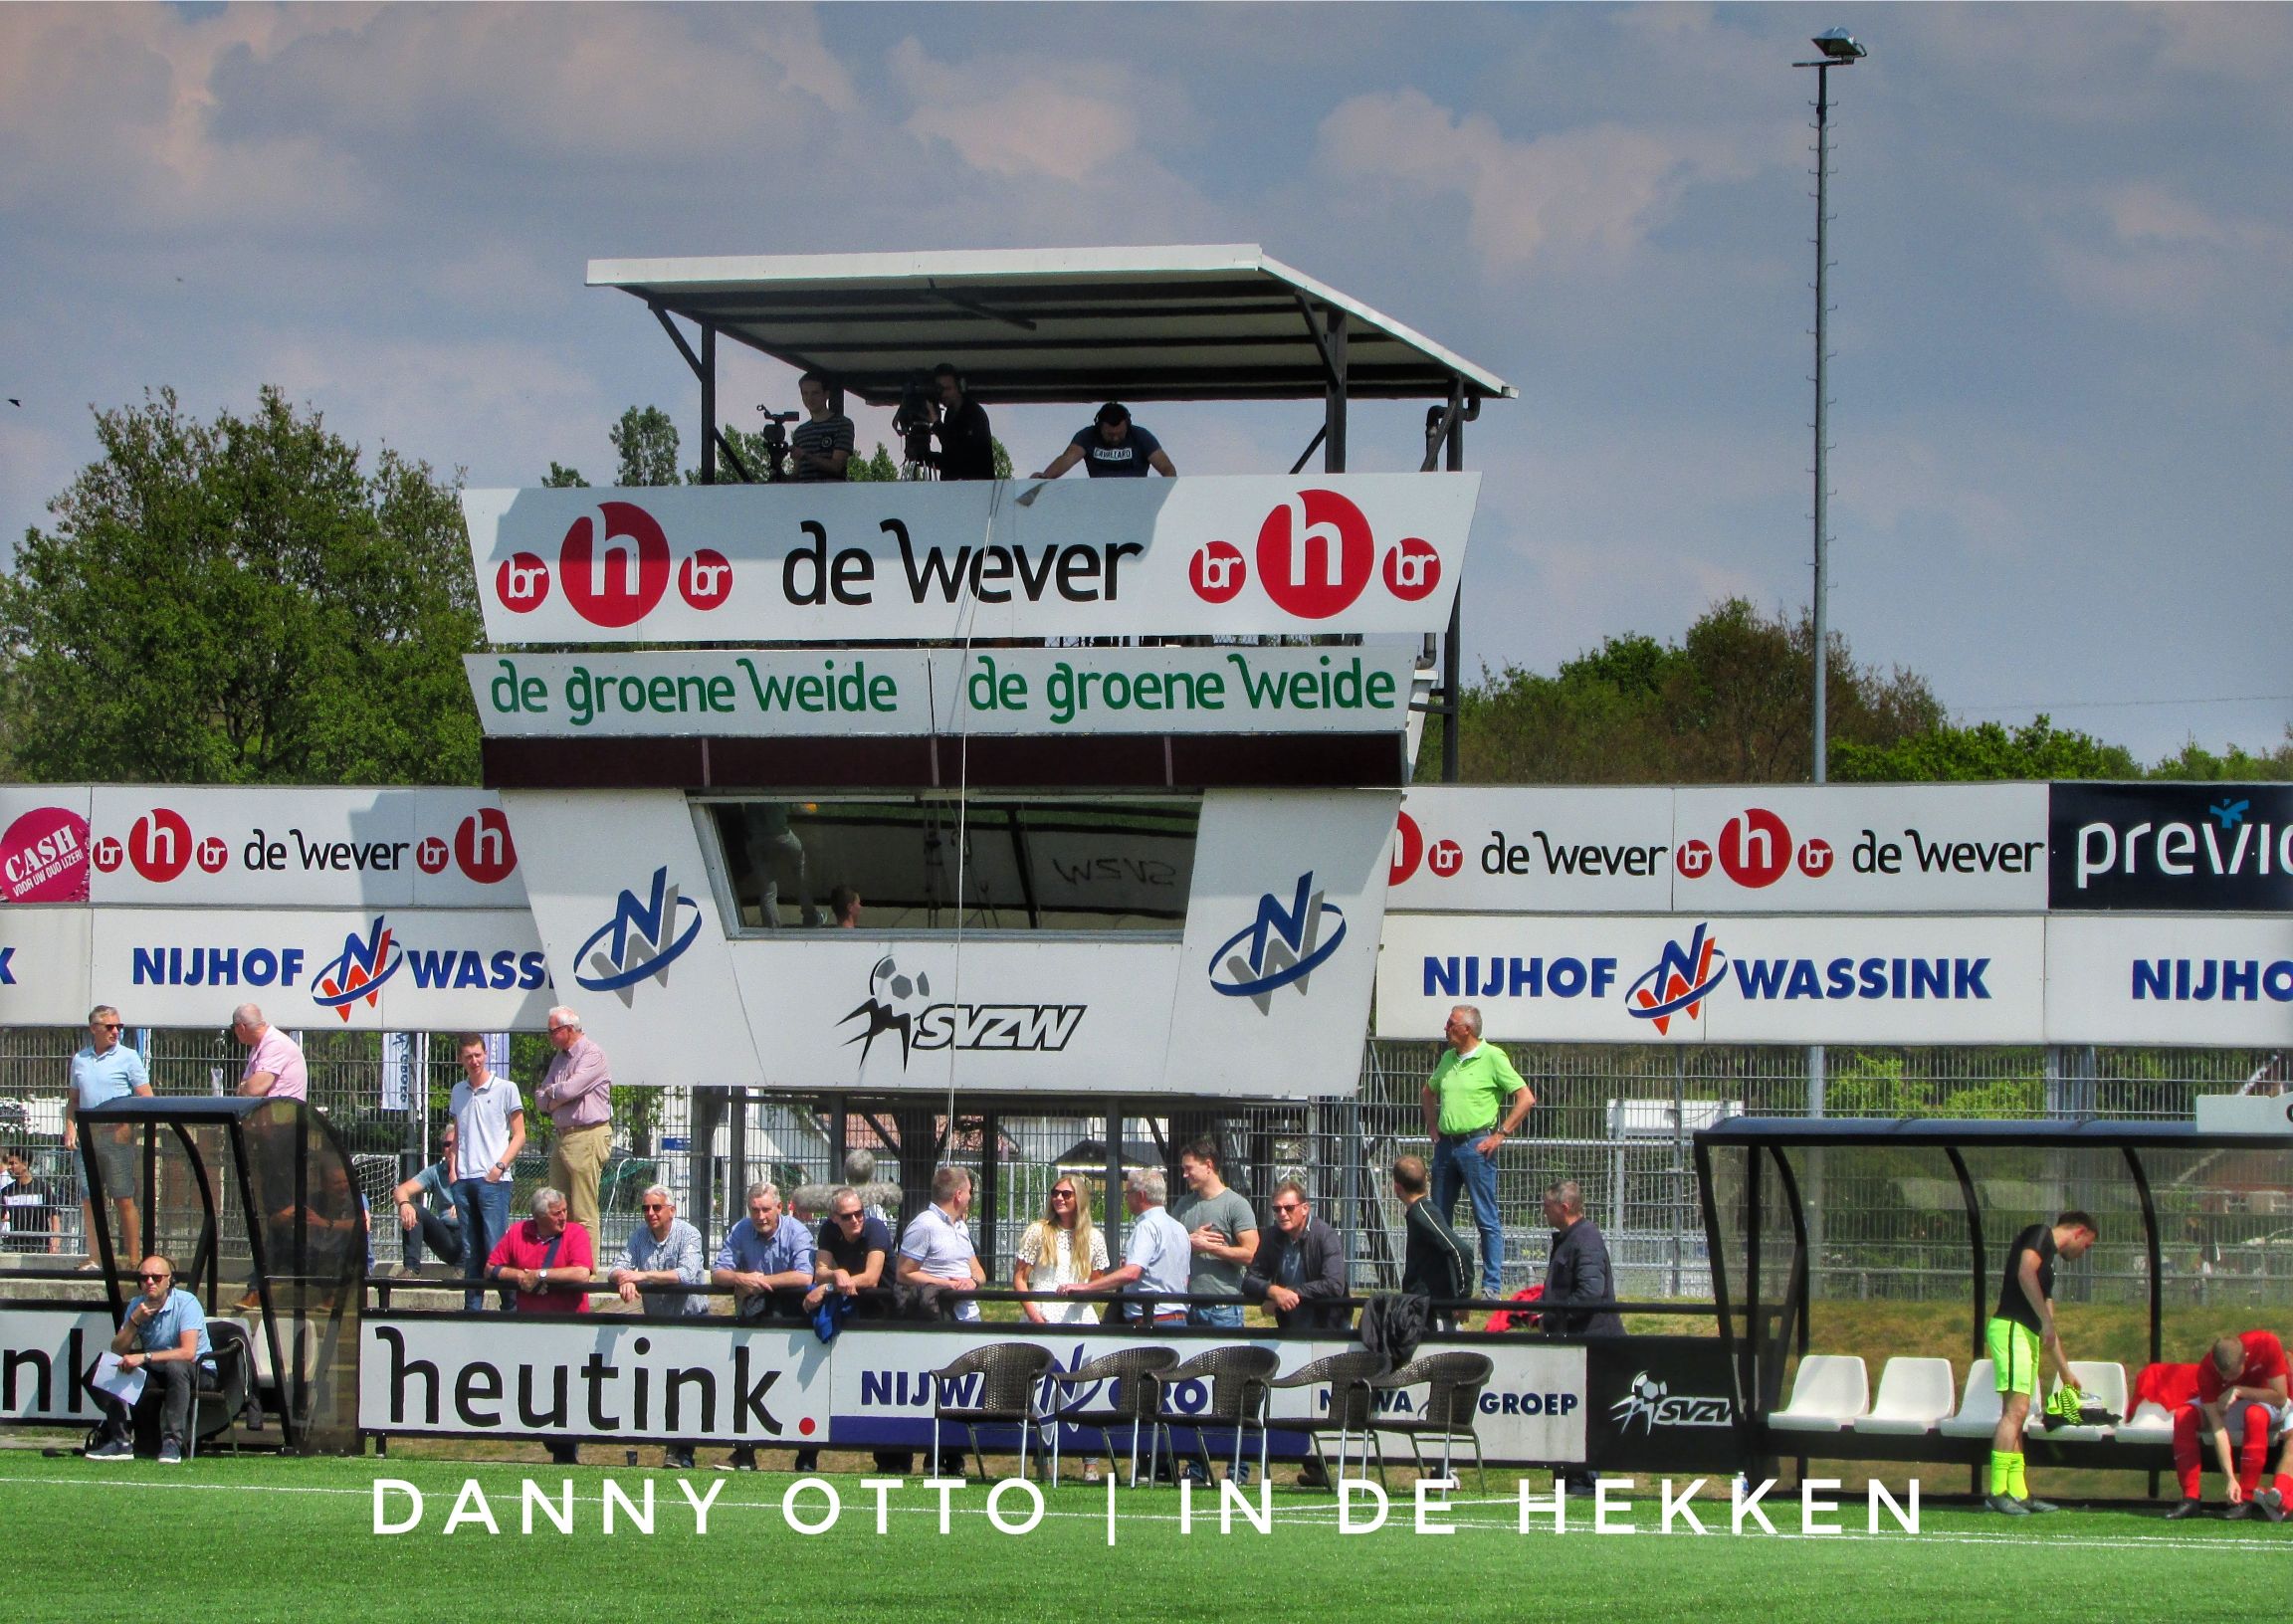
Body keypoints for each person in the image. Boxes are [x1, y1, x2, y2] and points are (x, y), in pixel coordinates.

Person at [1983, 1210, 2099, 1517]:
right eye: (2087, 1244)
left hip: (2028, 1334)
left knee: (2018, 1413)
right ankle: (1997, 1491)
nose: (2084, 1252)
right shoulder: (2039, 1234)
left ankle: (2018, 1492)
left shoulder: (2049, 1266)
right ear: (2079, 1232)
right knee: (2015, 1410)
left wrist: (2065, 1371)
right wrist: (2045, 1321)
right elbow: (2025, 1272)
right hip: (2011, 1328)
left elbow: (2050, 1329)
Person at [1421, 1004, 1535, 1299]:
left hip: (1477, 1146)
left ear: (1467, 1029)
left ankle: (1491, 1286)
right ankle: (1443, 1285)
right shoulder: (1448, 1058)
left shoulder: (1492, 1057)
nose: (1445, 1028)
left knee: (1486, 1218)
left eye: (1451, 1024)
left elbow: (1525, 1098)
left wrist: (1500, 1134)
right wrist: (1432, 1126)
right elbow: (1428, 1091)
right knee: (1439, 1218)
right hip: (1446, 1146)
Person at [84, 1254, 215, 1464]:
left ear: (169, 1280)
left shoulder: (187, 1303)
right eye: (144, 1278)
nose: (150, 1282)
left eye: (156, 1277)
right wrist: (134, 1321)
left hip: (199, 1371)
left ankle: (172, 1442)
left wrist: (144, 1357)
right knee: (102, 1368)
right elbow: (117, 1349)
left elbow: (188, 1353)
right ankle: (120, 1439)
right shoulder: (137, 1305)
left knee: (176, 1367)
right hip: (158, 1369)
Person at [611, 1185, 709, 1468]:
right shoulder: (639, 1236)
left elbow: (686, 1274)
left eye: (656, 1207)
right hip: (657, 1325)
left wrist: (641, 1276)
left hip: (692, 1323)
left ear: (672, 1210)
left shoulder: (689, 1234)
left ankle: (682, 1452)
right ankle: (665, 1447)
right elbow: (617, 1267)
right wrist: (624, 1279)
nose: (650, 1213)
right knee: (660, 1389)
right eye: (645, 1208)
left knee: (688, 1390)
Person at [2167, 1329, 2290, 1519]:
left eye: (2232, 1374)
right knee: (2183, 1416)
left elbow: (2280, 1398)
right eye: (2222, 1374)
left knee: (2255, 1416)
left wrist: (2240, 1390)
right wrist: (2230, 1478)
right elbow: (2218, 1428)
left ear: (2245, 1358)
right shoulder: (2207, 1369)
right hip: (2227, 1403)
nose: (2226, 1379)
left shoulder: (2266, 1343)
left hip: (2265, 1398)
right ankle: (2190, 1497)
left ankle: (2246, 1498)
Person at [68, 1004, 151, 1270]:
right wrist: (70, 1127)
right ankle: (96, 1257)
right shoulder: (80, 1059)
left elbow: (146, 1096)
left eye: (119, 1026)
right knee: (90, 1198)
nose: (116, 1031)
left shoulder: (128, 1057)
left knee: (123, 1197)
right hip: (87, 1137)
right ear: (94, 1028)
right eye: (110, 1027)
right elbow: (74, 1100)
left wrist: (127, 1126)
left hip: (116, 1137)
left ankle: (135, 1259)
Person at [447, 1034, 524, 1312]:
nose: (474, 1061)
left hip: (494, 1181)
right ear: (461, 1059)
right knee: (471, 1250)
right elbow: (457, 1133)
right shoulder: (458, 1091)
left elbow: (519, 1135)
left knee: (496, 1248)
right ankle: (472, 1309)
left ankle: (510, 1307)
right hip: (464, 1179)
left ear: (486, 1054)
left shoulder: (506, 1088)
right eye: (468, 1056)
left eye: (478, 1055)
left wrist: (499, 1167)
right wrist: (453, 1171)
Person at [1058, 1168, 1189, 1326]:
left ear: (1141, 1195)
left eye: (1128, 1193)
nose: (1126, 1198)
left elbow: (1131, 1273)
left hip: (1150, 1319)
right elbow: (1183, 1278)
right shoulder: (1179, 1228)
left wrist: (1086, 1287)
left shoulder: (1146, 1227)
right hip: (1179, 1319)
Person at [533, 1006, 611, 1239]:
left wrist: (554, 1093)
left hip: (586, 1136)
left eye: (552, 1031)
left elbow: (570, 1089)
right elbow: (540, 1099)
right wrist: (557, 1095)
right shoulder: (559, 1059)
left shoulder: (592, 1054)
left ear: (568, 1029)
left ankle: (587, 1263)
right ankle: (563, 1259)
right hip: (562, 1137)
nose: (549, 1036)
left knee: (583, 1212)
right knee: (557, 1211)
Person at [1242, 1181, 1350, 1331]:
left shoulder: (1325, 1235)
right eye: (1277, 1209)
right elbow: (1249, 1281)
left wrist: (1289, 1293)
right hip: (1289, 1329)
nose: (1282, 1214)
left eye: (1289, 1208)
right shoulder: (1271, 1236)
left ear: (1305, 1208)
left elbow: (1334, 1285)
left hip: (1329, 1329)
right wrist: (1273, 1291)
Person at [1172, 1140, 1257, 1328]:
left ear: (1208, 1165)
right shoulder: (1183, 1205)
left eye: (1189, 1168)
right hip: (1188, 1305)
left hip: (1223, 1309)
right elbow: (1167, 1246)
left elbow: (1252, 1254)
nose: (1185, 1175)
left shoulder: (1236, 1205)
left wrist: (1210, 1248)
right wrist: (1188, 1242)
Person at [1014, 1176, 1109, 1325]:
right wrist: (1034, 1317)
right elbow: (1020, 1278)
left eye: (1066, 1194)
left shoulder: (1094, 1238)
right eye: (1055, 1193)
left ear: (1079, 1198)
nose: (1058, 1198)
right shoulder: (1038, 1231)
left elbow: (1096, 1283)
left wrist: (1080, 1291)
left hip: (1080, 1317)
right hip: (1042, 1314)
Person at [897, 1165, 986, 1321]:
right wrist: (946, 1284)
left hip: (970, 1315)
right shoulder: (923, 1225)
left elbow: (978, 1271)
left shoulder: (961, 1227)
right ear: (959, 1195)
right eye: (969, 1191)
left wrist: (973, 1282)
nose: (970, 1197)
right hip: (940, 1316)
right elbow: (904, 1273)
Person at [1393, 1154, 1471, 1329]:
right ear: (1426, 1180)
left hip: (1434, 1320)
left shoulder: (1423, 1213)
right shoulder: (1419, 1212)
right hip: (1421, 1313)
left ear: (1397, 1187)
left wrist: (1463, 1299)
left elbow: (1461, 1250)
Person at [1539, 1180, 1624, 1337]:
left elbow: (1590, 1292)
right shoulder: (1569, 1237)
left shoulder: (1586, 1239)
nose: (1544, 1212)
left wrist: (1554, 1318)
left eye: (1547, 1206)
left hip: (1595, 1341)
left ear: (1564, 1208)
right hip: (1577, 1336)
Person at [1031, 401, 1176, 480]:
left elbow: (1167, 468)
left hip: (1136, 498)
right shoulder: (1087, 435)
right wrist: (1045, 476)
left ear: (1128, 426)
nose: (1115, 438)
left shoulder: (1141, 436)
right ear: (1099, 427)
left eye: (1120, 434)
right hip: (1099, 498)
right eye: (1109, 434)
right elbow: (1067, 459)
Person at [391, 1148, 463, 1271]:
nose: (451, 1148)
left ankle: (464, 1270)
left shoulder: (477, 1172)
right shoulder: (436, 1171)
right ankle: (411, 1269)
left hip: (470, 1237)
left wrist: (465, 1205)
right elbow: (401, 1190)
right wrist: (404, 1204)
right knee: (414, 1210)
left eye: (455, 1144)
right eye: (446, 1145)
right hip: (447, 1237)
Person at [926, 364, 995, 481]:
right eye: (940, 389)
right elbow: (951, 460)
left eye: (948, 389)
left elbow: (963, 456)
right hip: (958, 488)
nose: (943, 394)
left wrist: (936, 424)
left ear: (960, 387)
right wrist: (924, 456)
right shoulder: (950, 414)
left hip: (976, 487)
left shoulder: (973, 413)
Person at [788, 370, 854, 482]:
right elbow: (797, 474)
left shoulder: (843, 425)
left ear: (826, 395)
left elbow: (837, 467)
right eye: (805, 393)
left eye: (815, 393)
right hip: (804, 491)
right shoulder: (800, 432)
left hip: (832, 491)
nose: (809, 398)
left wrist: (805, 455)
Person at [231, 1003, 307, 1101]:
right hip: (273, 1108)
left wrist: (245, 1086)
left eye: (233, 1027)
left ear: (241, 1028)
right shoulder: (258, 1048)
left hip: (284, 1109)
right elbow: (244, 1089)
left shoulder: (275, 1044)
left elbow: (254, 1089)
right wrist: (246, 1086)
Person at [2, 1147, 58, 1254]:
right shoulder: (6, 1191)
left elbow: (54, 1215)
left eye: (14, 1163)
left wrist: (55, 1240)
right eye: (9, 1164)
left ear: (25, 1164)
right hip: (16, 1247)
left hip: (40, 1246)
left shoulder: (43, 1188)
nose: (10, 1167)